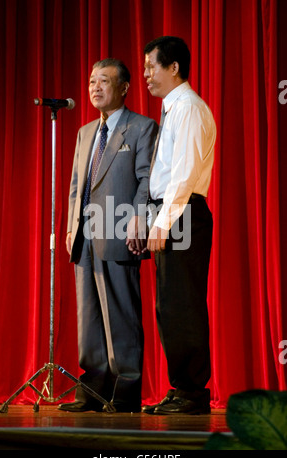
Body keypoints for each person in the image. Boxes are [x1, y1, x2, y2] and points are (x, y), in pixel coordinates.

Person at [58, 58, 158, 413]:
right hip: (84, 235)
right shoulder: (86, 132)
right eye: (91, 82)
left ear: (124, 88)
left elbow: (148, 179)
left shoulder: (142, 127)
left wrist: (138, 218)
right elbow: (75, 188)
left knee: (121, 315)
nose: (95, 88)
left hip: (118, 228)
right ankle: (92, 392)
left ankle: (126, 394)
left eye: (103, 81)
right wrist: (70, 227)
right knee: (89, 317)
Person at [142, 36, 216, 415]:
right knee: (170, 305)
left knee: (183, 304)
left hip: (183, 212)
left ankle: (193, 393)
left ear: (174, 68)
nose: (145, 75)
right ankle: (182, 387)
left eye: (152, 66)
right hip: (174, 212)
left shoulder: (187, 107)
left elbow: (184, 174)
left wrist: (163, 222)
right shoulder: (174, 109)